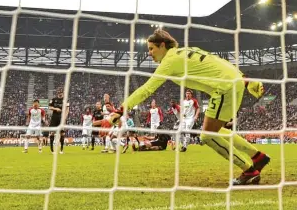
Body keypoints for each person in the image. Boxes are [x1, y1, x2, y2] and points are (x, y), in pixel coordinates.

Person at [109, 29, 269, 185]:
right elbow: (216, 61)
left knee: (207, 136)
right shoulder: (185, 51)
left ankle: (249, 170)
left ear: (162, 45)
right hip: (231, 84)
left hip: (224, 88)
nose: (149, 53)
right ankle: (257, 157)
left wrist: (121, 109)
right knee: (216, 131)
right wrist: (245, 79)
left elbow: (147, 89)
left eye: (151, 48)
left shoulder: (169, 61)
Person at [48, 88, 69, 154]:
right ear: (57, 93)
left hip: (61, 118)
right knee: (52, 133)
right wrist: (56, 108)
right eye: (59, 92)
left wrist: (64, 118)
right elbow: (50, 107)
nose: (60, 93)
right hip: (54, 117)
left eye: (61, 92)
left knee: (62, 133)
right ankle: (52, 150)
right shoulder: (53, 100)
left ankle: (61, 149)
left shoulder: (66, 100)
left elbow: (67, 110)